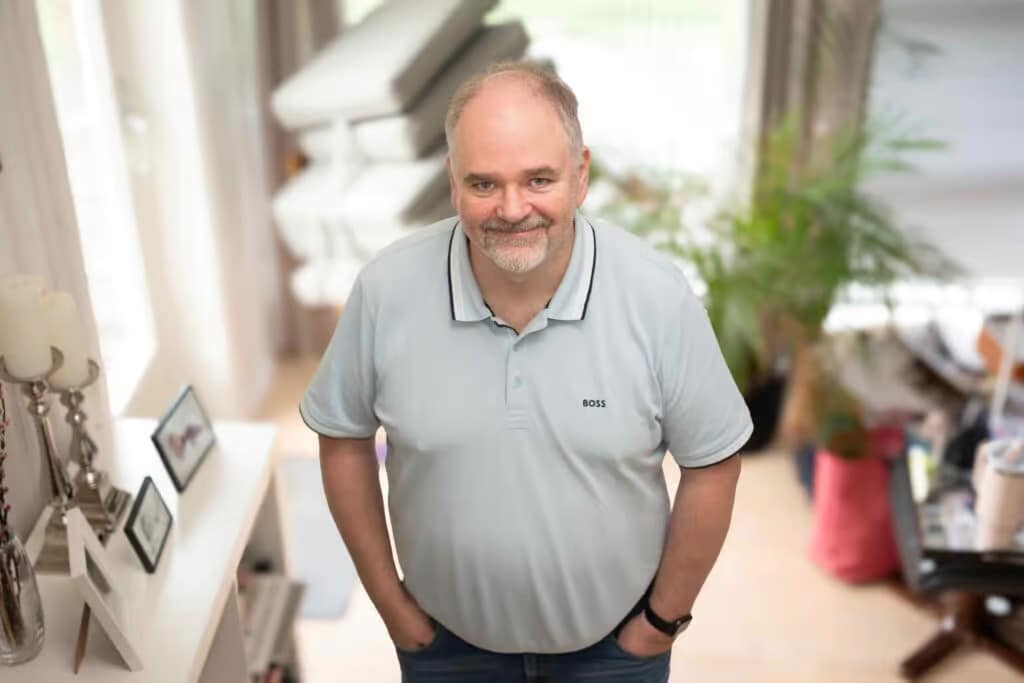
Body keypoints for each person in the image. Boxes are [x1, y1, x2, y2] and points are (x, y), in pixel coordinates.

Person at [300, 61, 752, 682]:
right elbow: (343, 439)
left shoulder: (657, 296)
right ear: (453, 182)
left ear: (581, 174)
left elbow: (713, 464)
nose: (513, 209)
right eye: (484, 184)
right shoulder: (386, 290)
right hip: (442, 651)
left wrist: (661, 623)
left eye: (539, 179)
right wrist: (392, 608)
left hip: (615, 657)